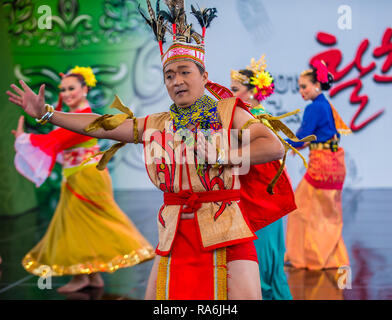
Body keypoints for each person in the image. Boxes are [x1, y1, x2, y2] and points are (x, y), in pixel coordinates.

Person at [7, 1, 287, 300]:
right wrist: (48, 114)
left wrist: (224, 156)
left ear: (204, 77)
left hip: (228, 232)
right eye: (169, 75)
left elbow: (273, 145)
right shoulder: (157, 123)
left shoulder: (228, 114)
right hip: (175, 234)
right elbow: (101, 125)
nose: (176, 80)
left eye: (184, 72)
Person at [11, 66, 155, 293]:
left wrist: (24, 140)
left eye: (71, 88)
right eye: (63, 89)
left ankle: (82, 277)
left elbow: (53, 141)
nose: (66, 93)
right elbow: (59, 149)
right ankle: (92, 276)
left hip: (86, 178)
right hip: (76, 176)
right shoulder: (72, 119)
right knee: (82, 225)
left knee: (79, 226)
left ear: (85, 89)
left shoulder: (83, 118)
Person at [230, 56, 295, 300]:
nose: (230, 94)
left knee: (262, 264)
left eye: (235, 90)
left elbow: (265, 161)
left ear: (253, 91)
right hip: (258, 194)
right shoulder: (251, 116)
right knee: (263, 263)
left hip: (258, 197)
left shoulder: (255, 120)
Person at [284, 60, 352, 270]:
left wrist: (280, 145)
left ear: (316, 85)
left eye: (304, 86)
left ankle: (308, 258)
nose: (301, 91)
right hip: (335, 165)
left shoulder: (314, 108)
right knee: (327, 211)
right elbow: (310, 139)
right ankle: (331, 257)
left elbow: (302, 137)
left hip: (321, 166)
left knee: (300, 209)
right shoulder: (326, 106)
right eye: (299, 88)